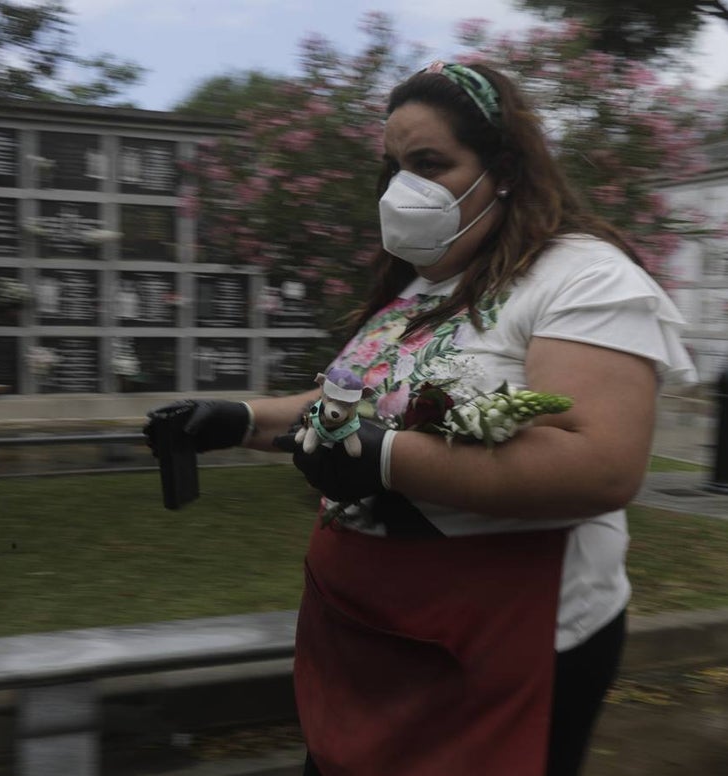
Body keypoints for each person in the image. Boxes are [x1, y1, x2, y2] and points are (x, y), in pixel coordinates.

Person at [145, 61, 695, 776]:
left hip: (501, 644)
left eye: (429, 163)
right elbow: (351, 410)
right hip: (365, 635)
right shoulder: (421, 286)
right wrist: (237, 419)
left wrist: (383, 459)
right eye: (396, 165)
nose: (404, 185)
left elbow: (601, 464)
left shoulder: (583, 276)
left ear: (501, 168)